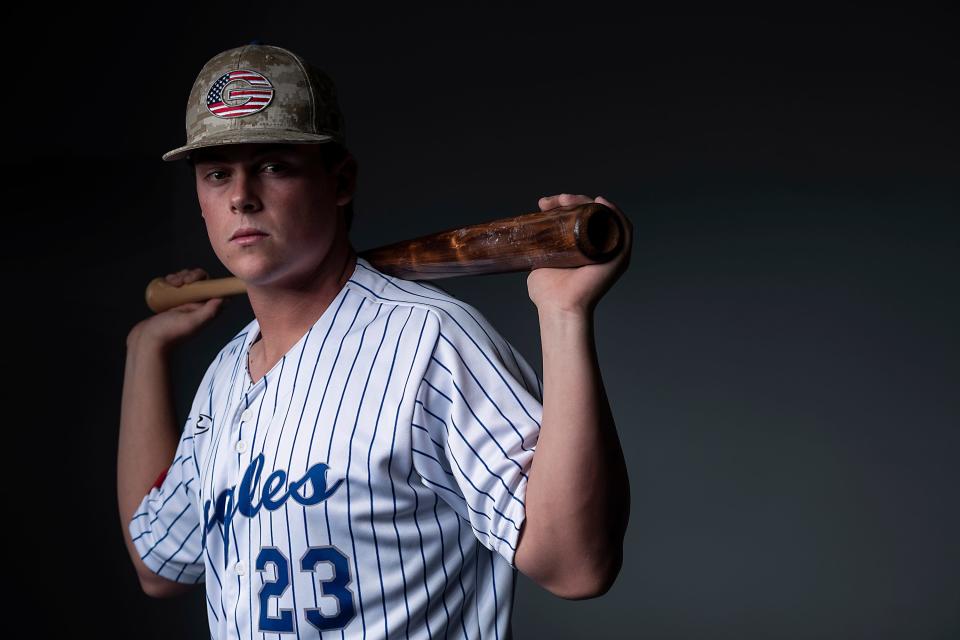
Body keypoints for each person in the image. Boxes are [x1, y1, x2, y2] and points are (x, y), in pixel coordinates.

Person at [117, 41, 632, 639]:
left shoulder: (429, 337)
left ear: (340, 181)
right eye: (217, 173)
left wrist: (563, 315)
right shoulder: (226, 374)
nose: (241, 196)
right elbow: (159, 562)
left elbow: (577, 564)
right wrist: (144, 351)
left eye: (273, 165)